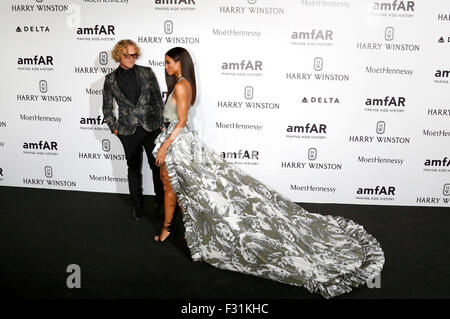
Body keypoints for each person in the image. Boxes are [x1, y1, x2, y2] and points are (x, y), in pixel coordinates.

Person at [152, 47, 385, 299]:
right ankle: (170, 228)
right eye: (164, 63)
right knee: (174, 186)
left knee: (189, 188)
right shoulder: (180, 84)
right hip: (174, 142)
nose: (165, 66)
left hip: (178, 144)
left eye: (168, 62)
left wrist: (164, 146)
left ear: (179, 63)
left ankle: (174, 228)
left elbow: (182, 122)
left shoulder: (183, 86)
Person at [103, 39, 164, 220]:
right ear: (118, 55)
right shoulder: (110, 79)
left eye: (133, 54)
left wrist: (161, 123)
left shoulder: (147, 73)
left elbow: (157, 101)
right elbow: (107, 108)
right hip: (127, 132)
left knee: (157, 168)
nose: (131, 58)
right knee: (133, 169)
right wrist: (114, 128)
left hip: (151, 127)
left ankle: (160, 204)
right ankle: (137, 207)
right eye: (126, 55)